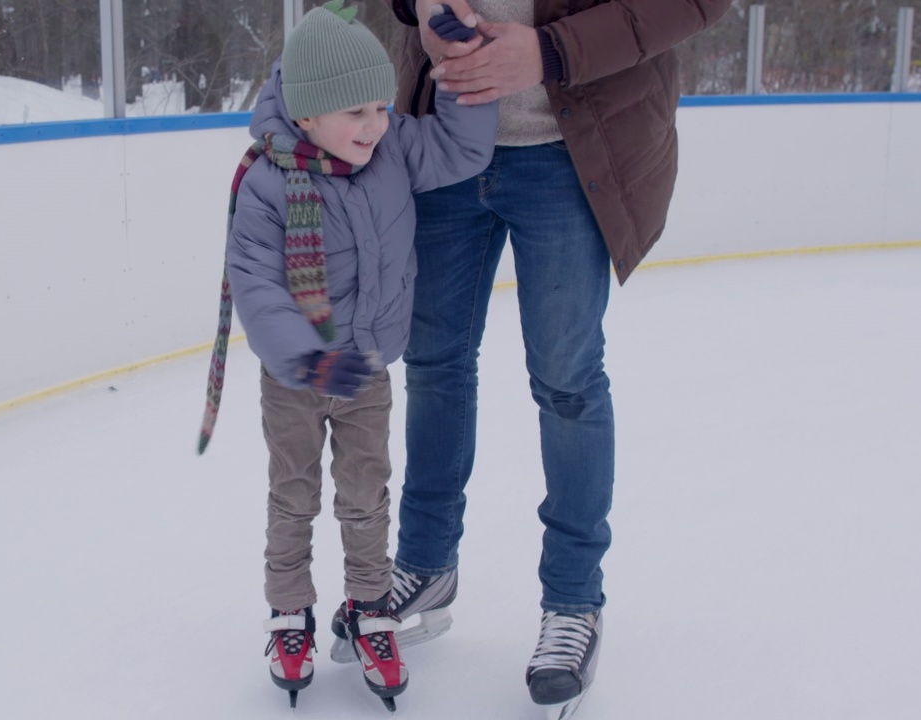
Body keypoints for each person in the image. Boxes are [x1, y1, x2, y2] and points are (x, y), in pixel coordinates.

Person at [378, 0, 731, 715]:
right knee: (434, 363)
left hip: (569, 152)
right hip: (443, 139)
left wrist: (552, 52)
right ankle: (425, 561)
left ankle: (573, 602)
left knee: (566, 380)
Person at [195, 0, 497, 710]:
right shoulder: (267, 183)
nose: (376, 126)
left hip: (367, 371)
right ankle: (290, 612)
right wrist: (306, 359)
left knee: (367, 498)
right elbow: (259, 289)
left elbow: (463, 147)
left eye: (382, 108)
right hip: (294, 380)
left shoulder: (390, 150)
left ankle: (370, 610)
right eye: (355, 113)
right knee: (293, 497)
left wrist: (457, 64)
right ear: (306, 115)